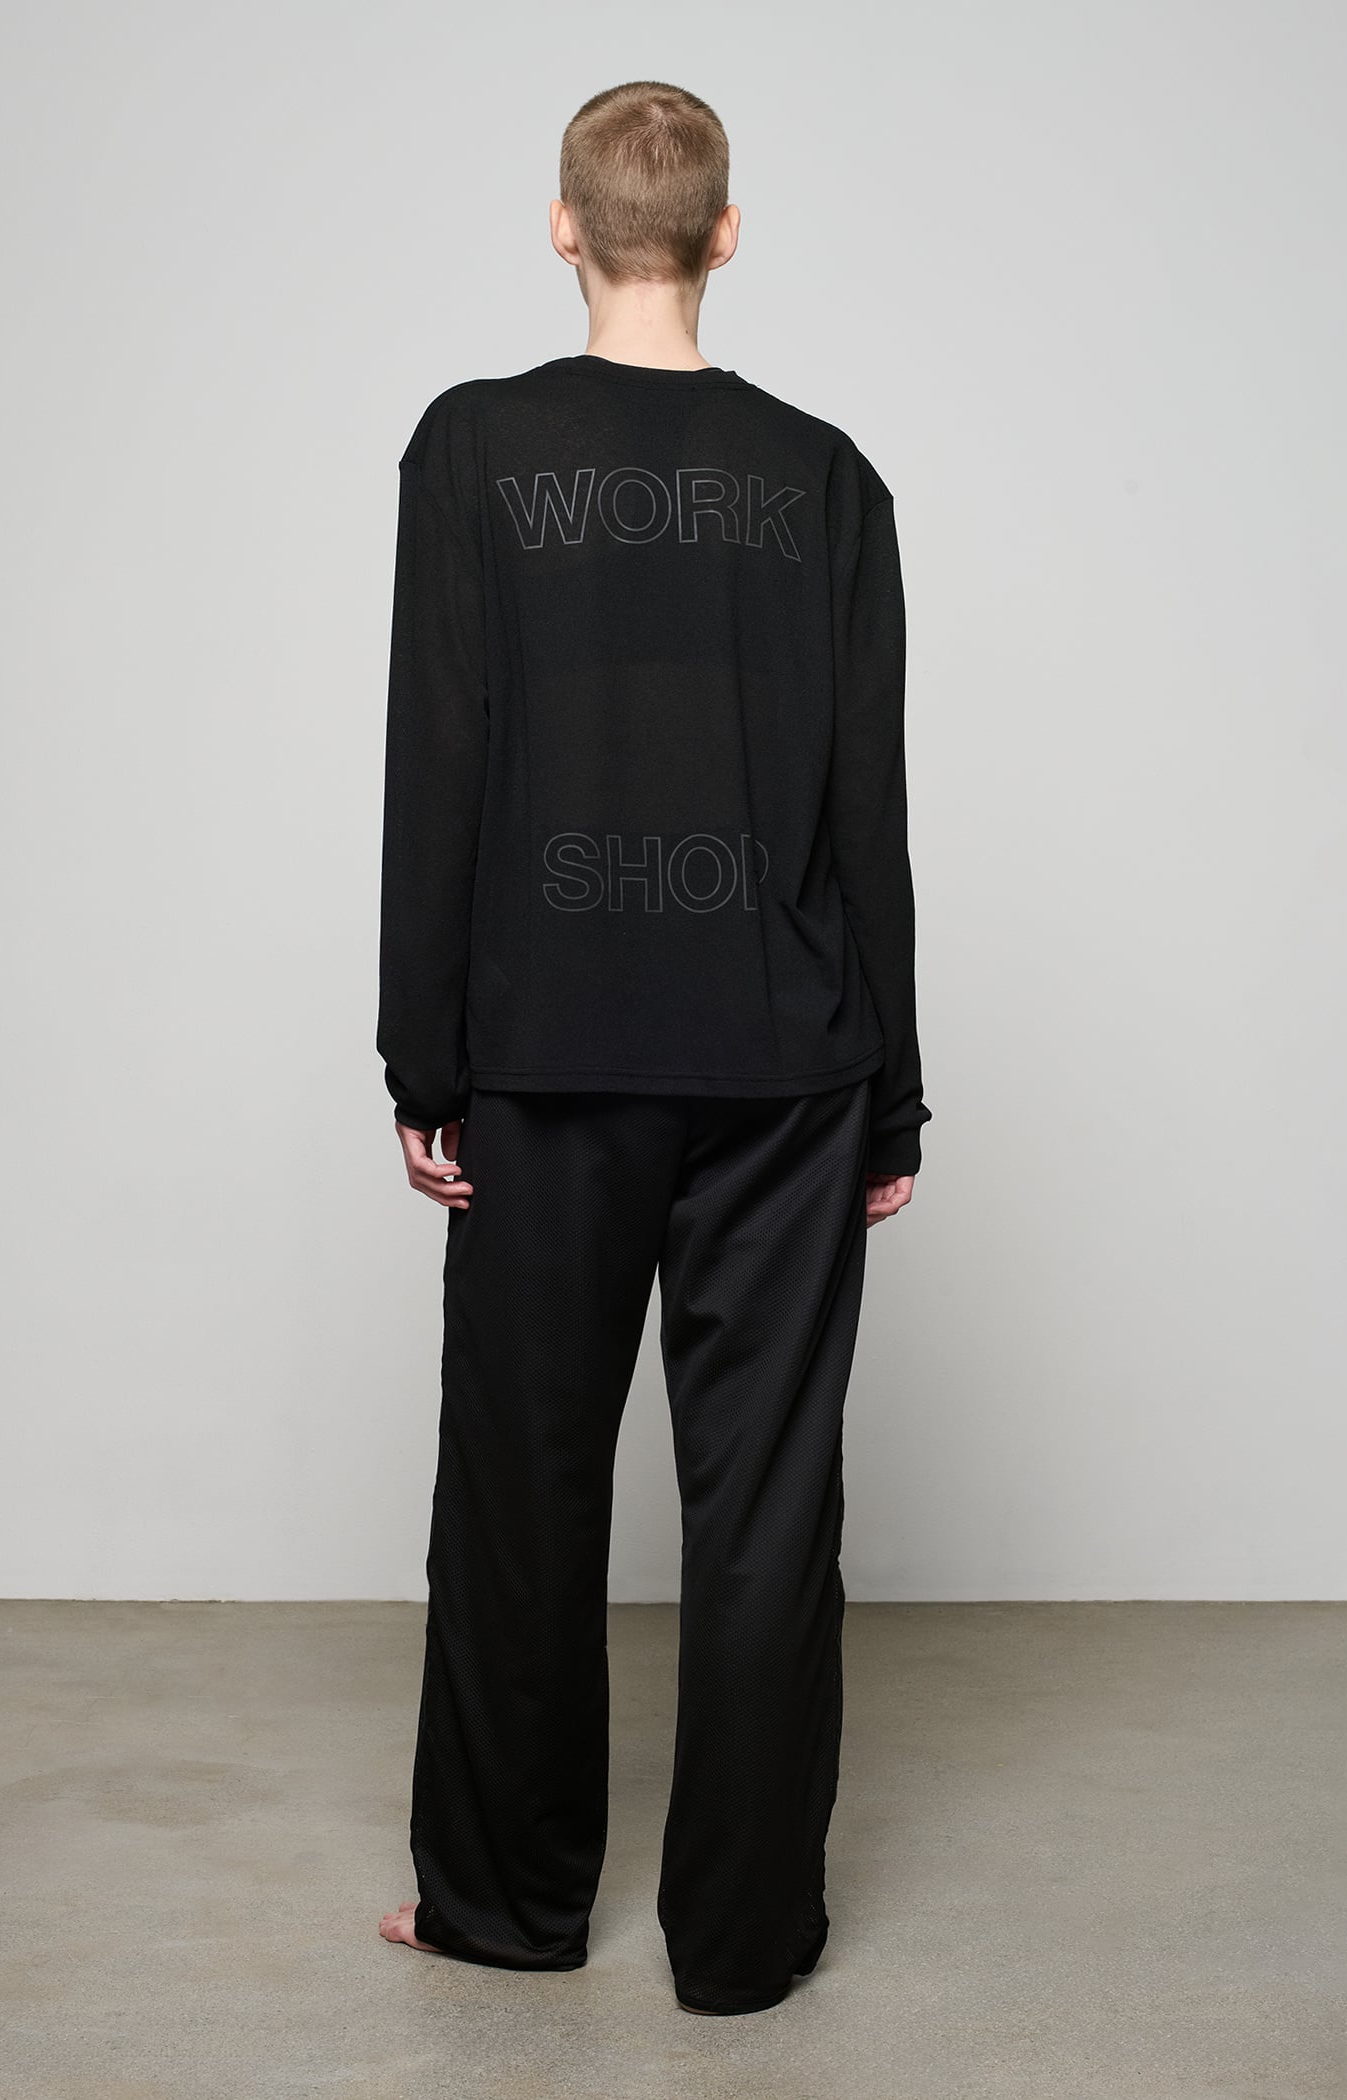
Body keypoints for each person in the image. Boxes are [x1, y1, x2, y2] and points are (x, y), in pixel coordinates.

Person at [375, 79, 931, 2018]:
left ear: (562, 226)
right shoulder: (826, 478)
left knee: (519, 1494)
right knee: (765, 1511)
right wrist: (894, 1091)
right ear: (723, 233)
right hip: (785, 1063)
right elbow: (867, 811)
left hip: (543, 1055)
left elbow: (438, 758)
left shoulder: (471, 450)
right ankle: (747, 1942)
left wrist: (423, 1062)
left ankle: (504, 1908)